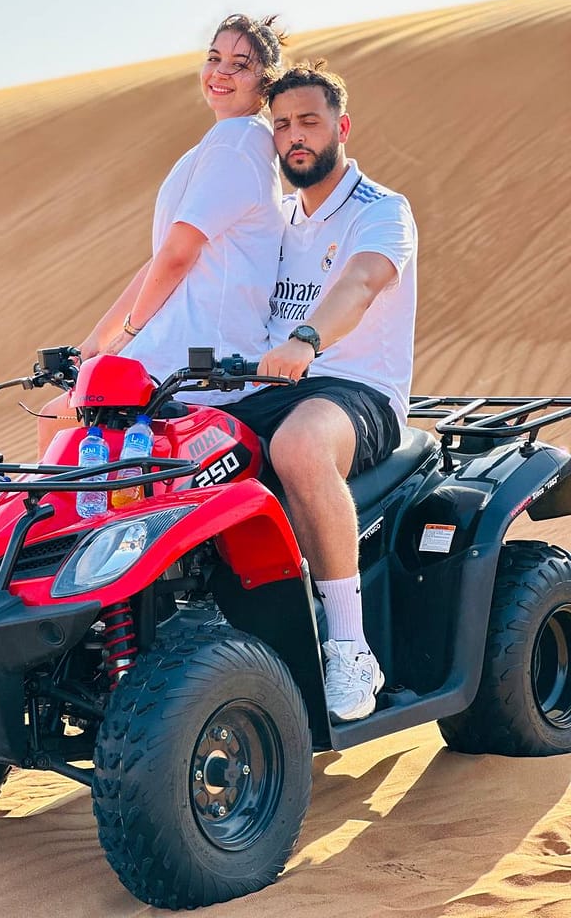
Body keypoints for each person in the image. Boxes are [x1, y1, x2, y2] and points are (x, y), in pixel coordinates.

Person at [224, 62, 418, 724]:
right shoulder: (273, 219)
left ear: (342, 127)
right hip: (267, 386)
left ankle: (349, 647)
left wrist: (306, 340)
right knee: (176, 448)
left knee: (300, 448)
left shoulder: (381, 209)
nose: (295, 137)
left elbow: (360, 283)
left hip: (357, 391)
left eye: (309, 121)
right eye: (281, 125)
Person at [36, 14, 287, 454]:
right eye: (214, 58)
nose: (220, 72)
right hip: (179, 348)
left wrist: (129, 335)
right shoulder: (222, 143)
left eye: (239, 65)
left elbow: (177, 256)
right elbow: (163, 257)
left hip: (197, 358)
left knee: (61, 423)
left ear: (266, 81)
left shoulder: (237, 142)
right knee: (63, 423)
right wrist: (99, 340)